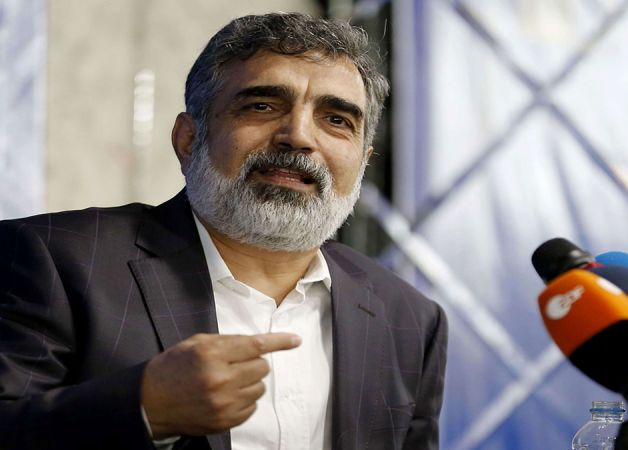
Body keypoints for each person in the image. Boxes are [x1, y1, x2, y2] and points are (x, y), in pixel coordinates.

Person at [0, 12, 448, 450]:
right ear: (188, 139)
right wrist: (145, 408)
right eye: (262, 106)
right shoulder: (54, 259)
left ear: (363, 162)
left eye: (336, 120)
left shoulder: (409, 318)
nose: (298, 136)